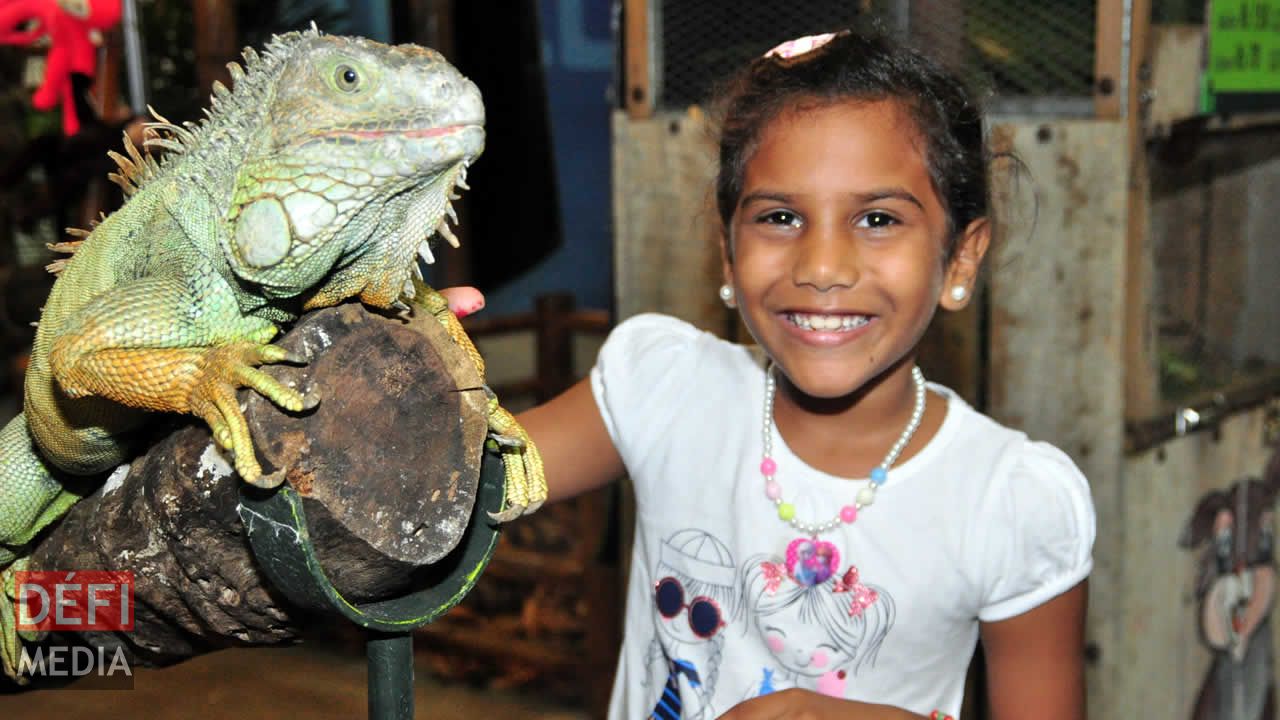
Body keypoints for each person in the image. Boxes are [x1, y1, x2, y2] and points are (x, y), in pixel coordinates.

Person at [441, 27, 1094, 720]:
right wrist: (396, 369)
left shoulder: (1008, 501)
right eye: (780, 217)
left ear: (961, 258)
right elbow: (443, 485)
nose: (820, 266)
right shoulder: (665, 391)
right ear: (727, 253)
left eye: (877, 219)